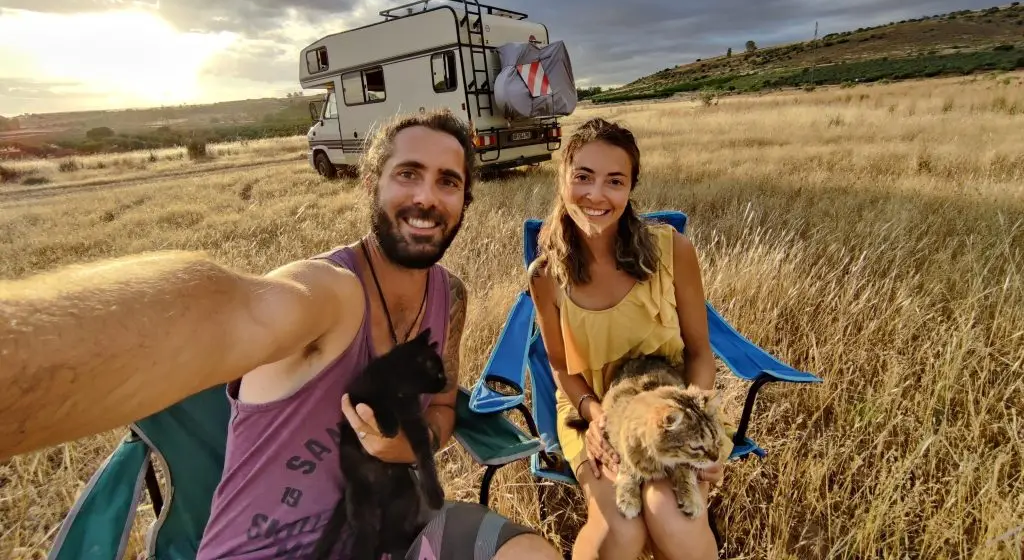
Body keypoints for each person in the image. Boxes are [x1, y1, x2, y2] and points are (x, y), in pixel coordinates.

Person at [0, 108, 562, 560]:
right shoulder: (331, 294)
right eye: (407, 174)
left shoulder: (450, 296)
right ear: (371, 183)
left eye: (448, 181)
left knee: (533, 553)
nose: (426, 198)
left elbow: (441, 404)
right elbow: (226, 311)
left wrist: (410, 443)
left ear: (465, 200)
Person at [527, 118, 724, 560]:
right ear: (562, 178)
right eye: (583, 177)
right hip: (595, 408)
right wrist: (596, 418)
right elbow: (561, 368)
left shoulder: (672, 251)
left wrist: (697, 420)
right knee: (624, 528)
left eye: (614, 181)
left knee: (669, 513)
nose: (596, 195)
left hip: (674, 406)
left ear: (631, 188)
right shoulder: (546, 276)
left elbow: (699, 351)